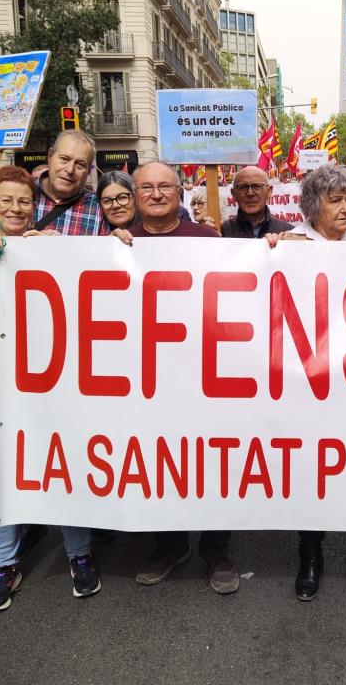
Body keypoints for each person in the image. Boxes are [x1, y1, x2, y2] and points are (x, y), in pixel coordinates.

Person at [0, 166, 100, 612]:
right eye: (6, 201)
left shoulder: (53, 248)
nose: (15, 209)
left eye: (24, 201)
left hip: (50, 388)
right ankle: (4, 566)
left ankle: (80, 555)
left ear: (36, 206)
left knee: (65, 472)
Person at [112, 162, 238, 594]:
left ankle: (216, 549)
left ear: (180, 190)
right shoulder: (118, 244)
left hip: (204, 375)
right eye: (146, 187)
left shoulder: (208, 240)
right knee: (162, 463)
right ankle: (170, 545)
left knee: (211, 461)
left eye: (165, 185)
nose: (156, 193)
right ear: (134, 195)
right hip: (149, 378)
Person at [265, 164, 346, 603]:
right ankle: (309, 557)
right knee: (313, 472)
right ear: (313, 206)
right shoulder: (289, 244)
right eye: (334, 199)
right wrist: (269, 252)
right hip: (306, 383)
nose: (345, 207)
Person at [0, 130, 101, 235]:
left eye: (80, 164)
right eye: (64, 159)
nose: (69, 169)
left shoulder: (99, 209)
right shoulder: (18, 191)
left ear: (89, 170)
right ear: (50, 156)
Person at [220, 166, 293, 237]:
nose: (250, 193)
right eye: (243, 187)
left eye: (257, 187)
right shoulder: (222, 231)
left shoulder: (287, 233)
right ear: (234, 194)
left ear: (269, 191)